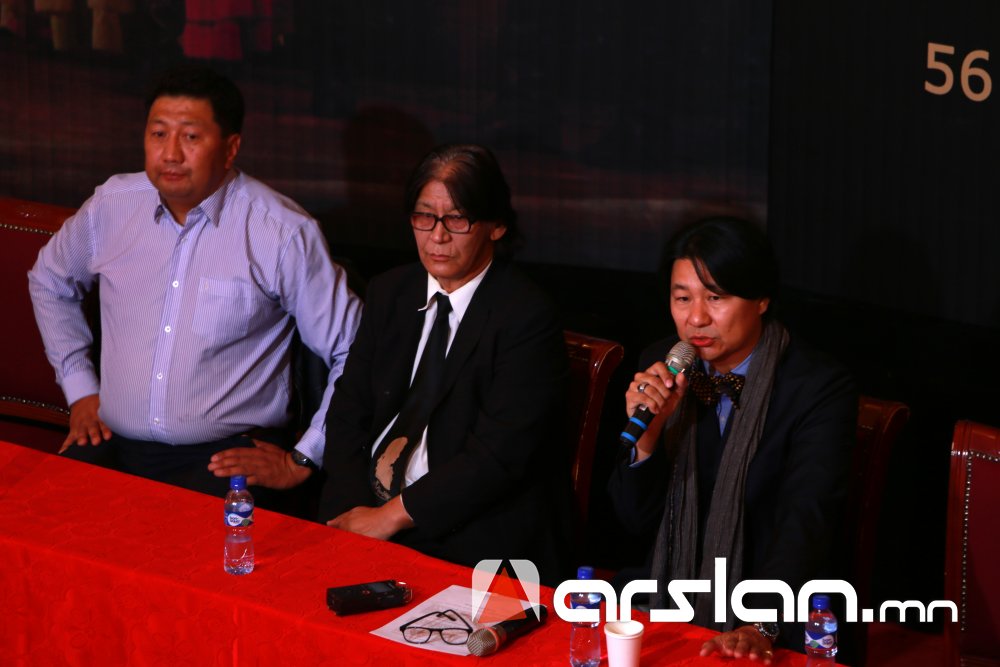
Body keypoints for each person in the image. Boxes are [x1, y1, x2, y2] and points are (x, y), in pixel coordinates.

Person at [28, 64, 362, 503]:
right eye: (158, 134)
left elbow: (354, 349)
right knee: (41, 517)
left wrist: (305, 456)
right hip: (115, 441)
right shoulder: (111, 206)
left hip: (226, 456)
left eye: (190, 136)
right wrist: (80, 388)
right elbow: (49, 281)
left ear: (230, 148)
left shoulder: (280, 231)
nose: (170, 154)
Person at [608, 217, 857, 662]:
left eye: (716, 297)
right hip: (671, 589)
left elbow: (806, 520)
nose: (696, 318)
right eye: (682, 298)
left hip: (782, 600)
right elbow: (635, 524)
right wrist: (648, 439)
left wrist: (761, 622)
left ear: (761, 299)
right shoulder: (662, 367)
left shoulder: (816, 387)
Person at [318, 144, 570, 583]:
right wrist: (352, 511)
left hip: (469, 528)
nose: (437, 236)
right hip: (371, 510)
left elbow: (496, 458)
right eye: (424, 217)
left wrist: (391, 517)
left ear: (496, 226)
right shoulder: (390, 292)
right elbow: (347, 412)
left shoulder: (526, 316)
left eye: (456, 219)